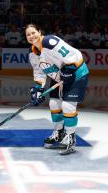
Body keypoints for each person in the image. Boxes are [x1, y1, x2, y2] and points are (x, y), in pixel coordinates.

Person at [25, 23, 89, 155]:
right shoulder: (33, 54)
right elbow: (40, 73)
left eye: (33, 33)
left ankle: (70, 138)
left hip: (76, 73)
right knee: (54, 103)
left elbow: (73, 54)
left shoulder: (50, 41)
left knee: (67, 105)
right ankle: (59, 133)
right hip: (59, 77)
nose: (31, 36)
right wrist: (39, 88)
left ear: (40, 32)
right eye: (28, 35)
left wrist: (70, 68)